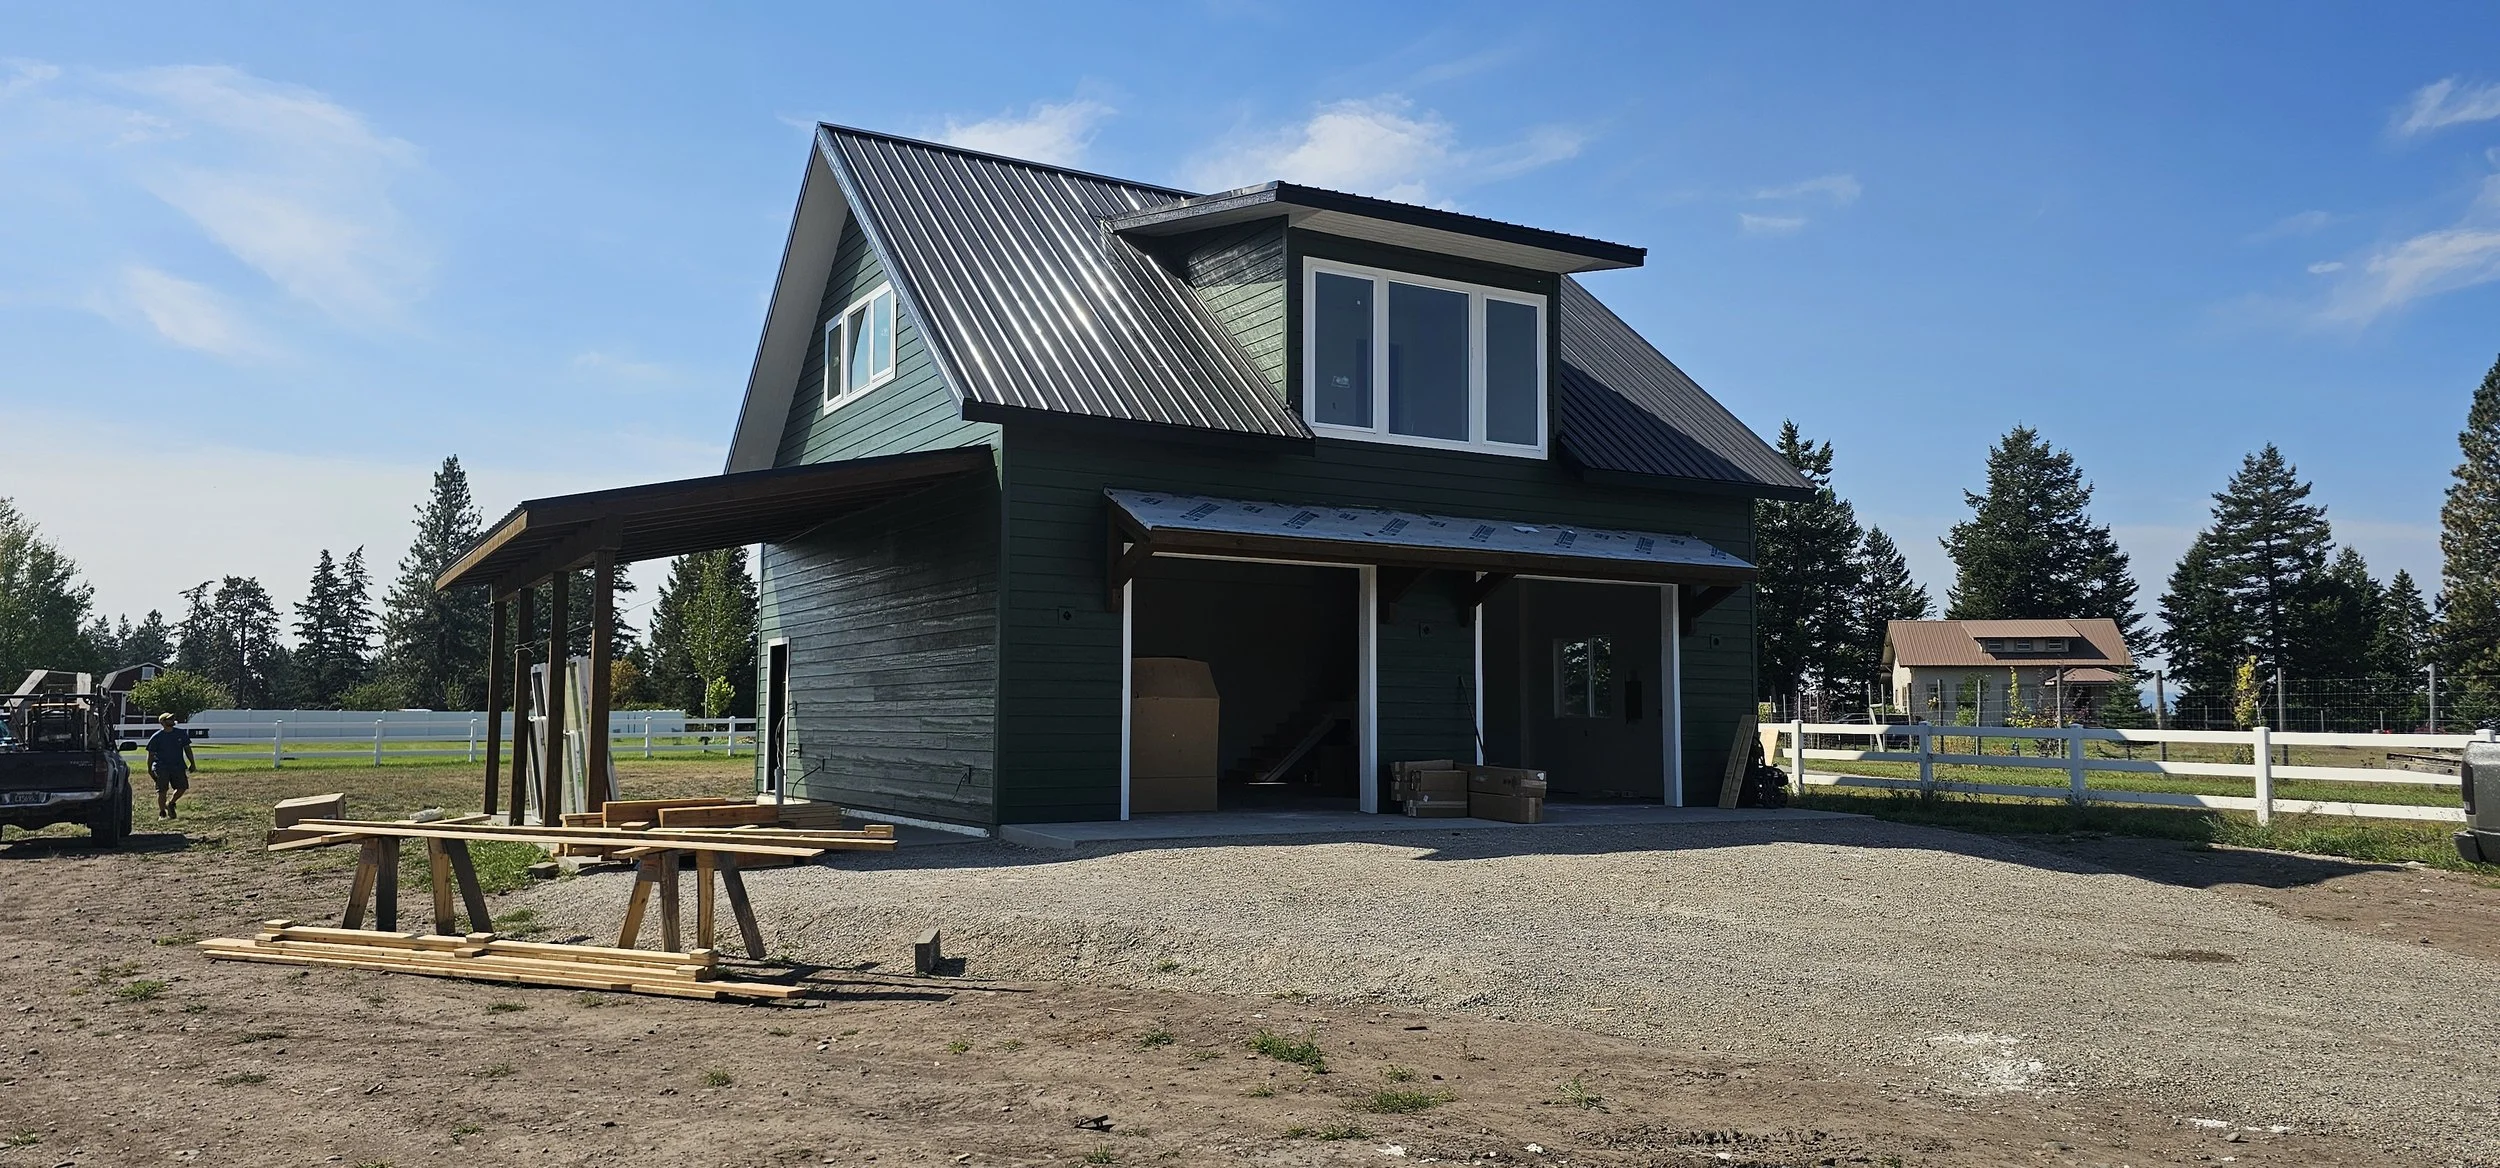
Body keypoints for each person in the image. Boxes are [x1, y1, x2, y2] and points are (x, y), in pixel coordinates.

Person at [145, 712, 197, 820]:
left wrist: (192, 763)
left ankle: (171, 803)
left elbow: (187, 749)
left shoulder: (181, 734)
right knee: (162, 790)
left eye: (173, 718)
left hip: (178, 766)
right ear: (163, 722)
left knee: (182, 787)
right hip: (161, 766)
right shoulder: (157, 737)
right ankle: (162, 813)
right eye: (169, 719)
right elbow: (150, 755)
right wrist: (149, 769)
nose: (172, 720)